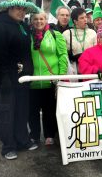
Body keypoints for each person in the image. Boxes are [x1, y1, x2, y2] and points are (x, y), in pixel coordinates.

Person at [0, 0, 39, 160]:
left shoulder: (21, 26)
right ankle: (8, 145)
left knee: (21, 110)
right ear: (9, 8)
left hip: (22, 78)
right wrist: (4, 79)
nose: (21, 12)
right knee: (7, 111)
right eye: (17, 8)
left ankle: (22, 139)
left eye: (23, 9)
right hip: (6, 79)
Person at [29, 12, 68, 146]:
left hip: (51, 80)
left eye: (41, 18)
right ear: (32, 21)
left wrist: (61, 75)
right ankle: (34, 135)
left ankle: (49, 135)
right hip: (32, 81)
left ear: (46, 20)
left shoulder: (55, 35)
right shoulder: (27, 35)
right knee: (32, 111)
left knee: (49, 110)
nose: (38, 21)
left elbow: (63, 55)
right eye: (35, 19)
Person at [63, 8, 97, 75]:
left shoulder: (92, 33)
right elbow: (63, 55)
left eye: (85, 17)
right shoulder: (66, 34)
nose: (85, 19)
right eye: (82, 18)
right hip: (74, 71)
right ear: (75, 21)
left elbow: (97, 52)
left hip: (90, 70)